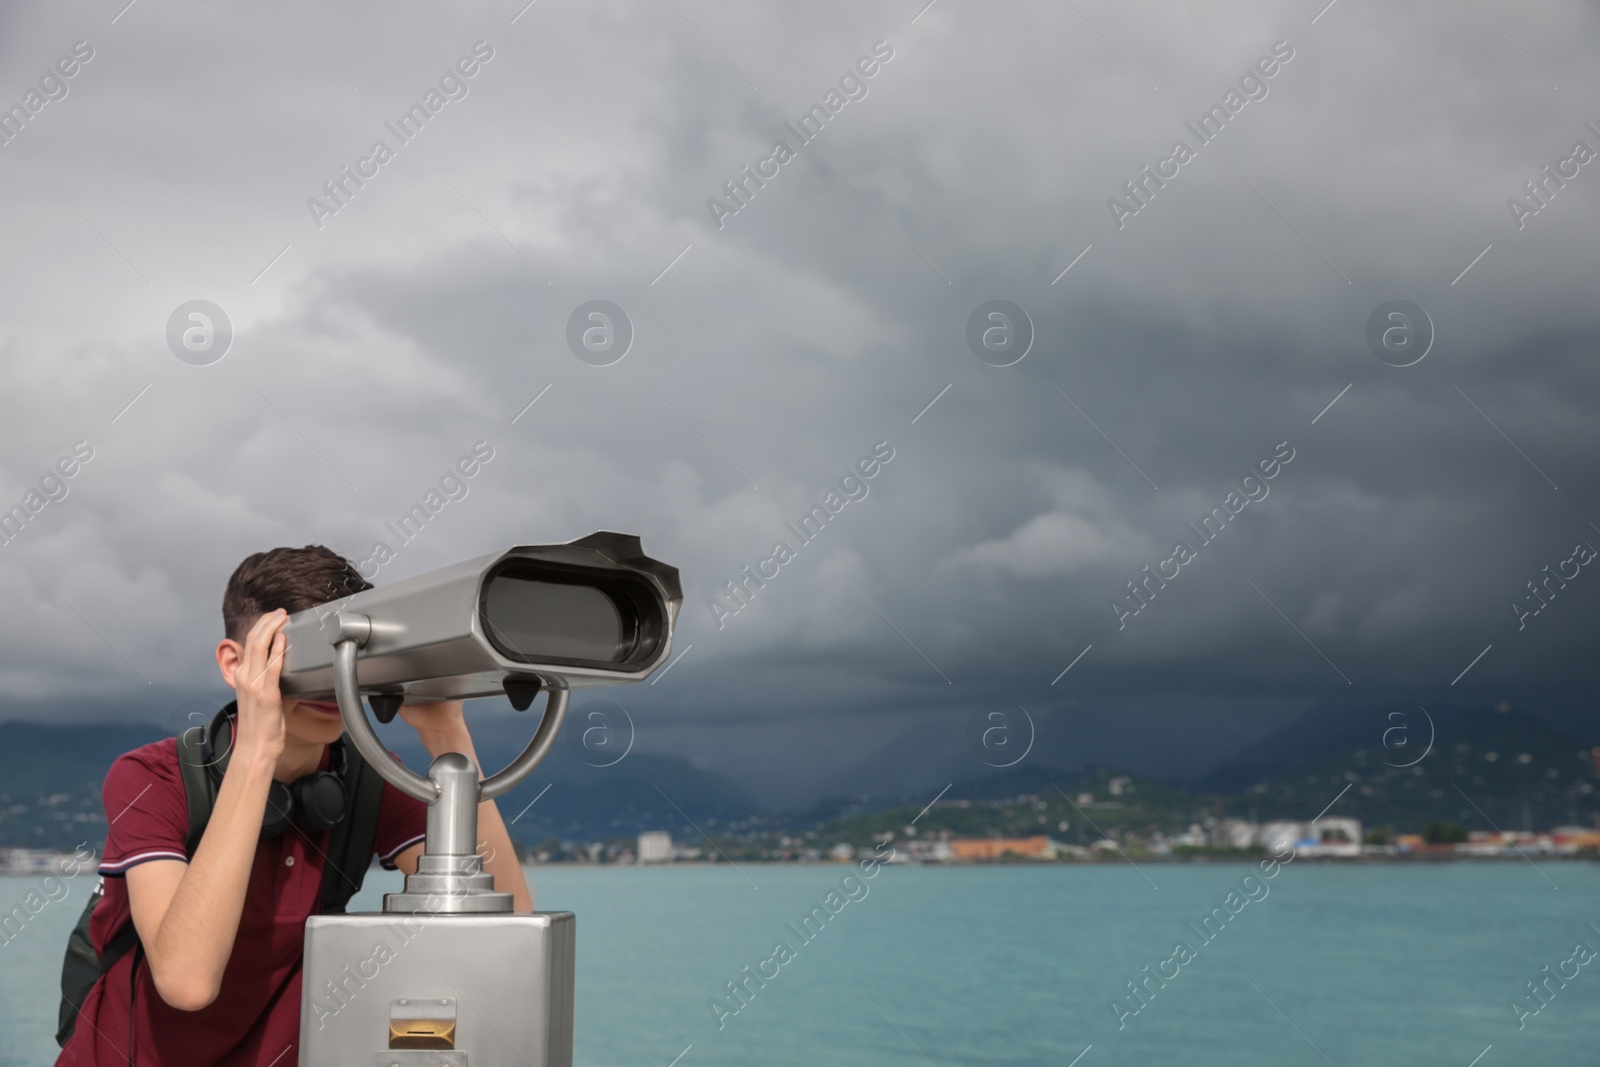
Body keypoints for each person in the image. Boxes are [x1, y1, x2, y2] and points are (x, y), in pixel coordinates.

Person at [56, 546, 531, 1066]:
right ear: (235, 663)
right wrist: (258, 753)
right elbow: (186, 981)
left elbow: (508, 934)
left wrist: (446, 731)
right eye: (302, 654)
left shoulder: (368, 779)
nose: (330, 680)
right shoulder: (153, 778)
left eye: (348, 653)